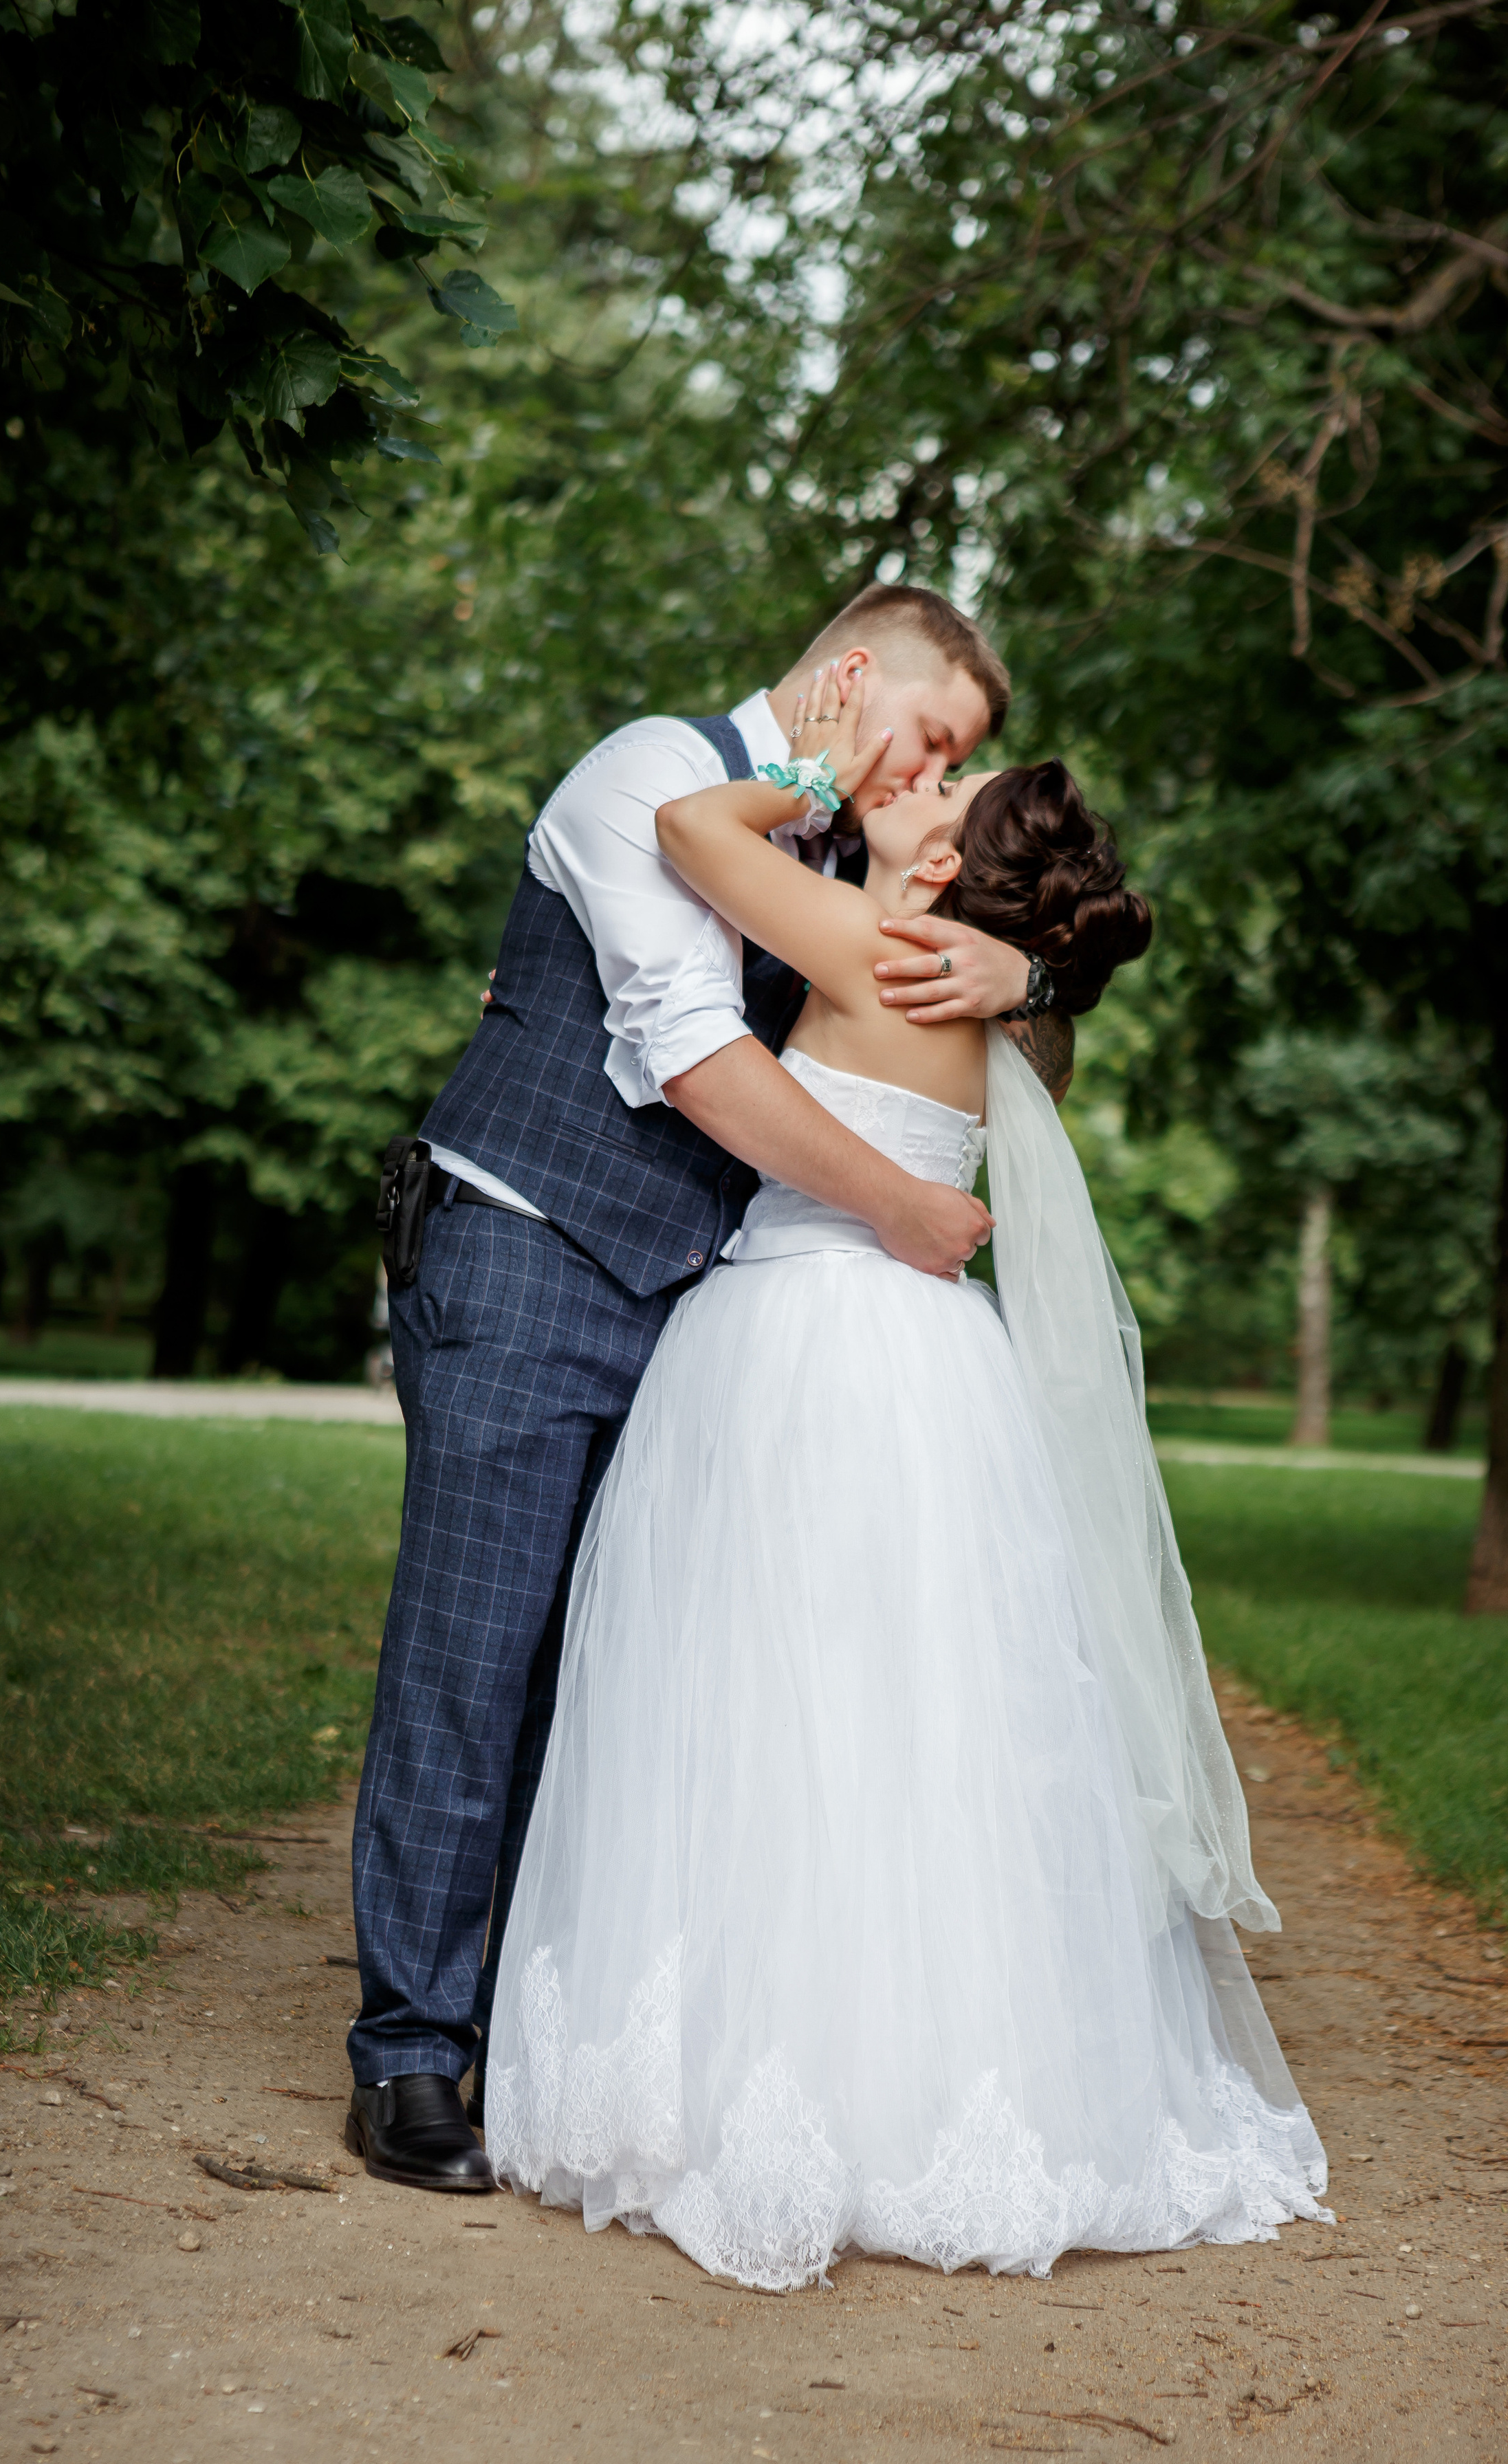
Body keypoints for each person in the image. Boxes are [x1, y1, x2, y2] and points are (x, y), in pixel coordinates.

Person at [483, 669, 1330, 2287]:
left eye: (947, 783)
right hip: (936, 1367)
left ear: (942, 872)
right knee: (913, 1712)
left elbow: (683, 820)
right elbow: (1036, 1028)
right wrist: (1028, 962)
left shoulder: (870, 946)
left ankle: (780, 2066)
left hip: (805, 1343)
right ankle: (920, 2058)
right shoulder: (983, 997)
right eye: (929, 760)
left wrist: (813, 766)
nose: (917, 777)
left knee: (764, 1695)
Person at [345, 588, 1056, 2192]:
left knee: (614, 1682)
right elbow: (689, 1052)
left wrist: (1015, 977)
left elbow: (960, 1014)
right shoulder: (645, 776)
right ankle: (407, 2054)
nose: (926, 775)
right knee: (474, 1657)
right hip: (524, 1252)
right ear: (855, 675)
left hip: (692, 1314)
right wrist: (895, 1204)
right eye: (931, 740)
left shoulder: (827, 860)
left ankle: (533, 2031)